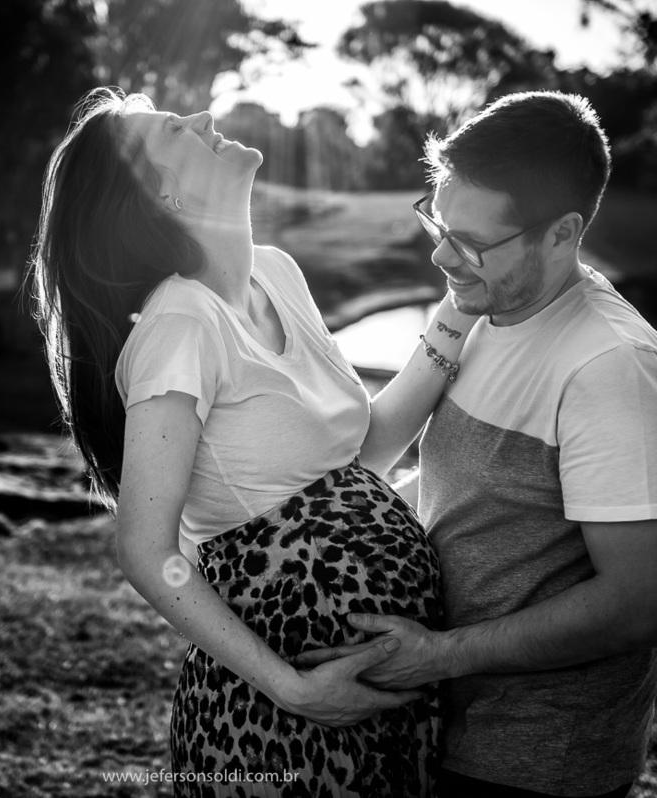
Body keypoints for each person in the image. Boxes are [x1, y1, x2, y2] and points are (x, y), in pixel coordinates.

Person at [27, 87, 478, 797]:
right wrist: (293, 688)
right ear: (163, 193)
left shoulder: (278, 273)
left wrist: (458, 306)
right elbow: (146, 551)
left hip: (376, 697)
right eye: (176, 130)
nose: (204, 118)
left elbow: (356, 456)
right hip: (275, 719)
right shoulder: (180, 325)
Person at [296, 91, 657, 798]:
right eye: (437, 221)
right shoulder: (484, 302)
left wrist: (436, 656)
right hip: (435, 727)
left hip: (533, 762)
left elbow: (640, 604)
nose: (440, 254)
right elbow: (395, 461)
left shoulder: (614, 371)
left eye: (471, 242)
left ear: (563, 233)